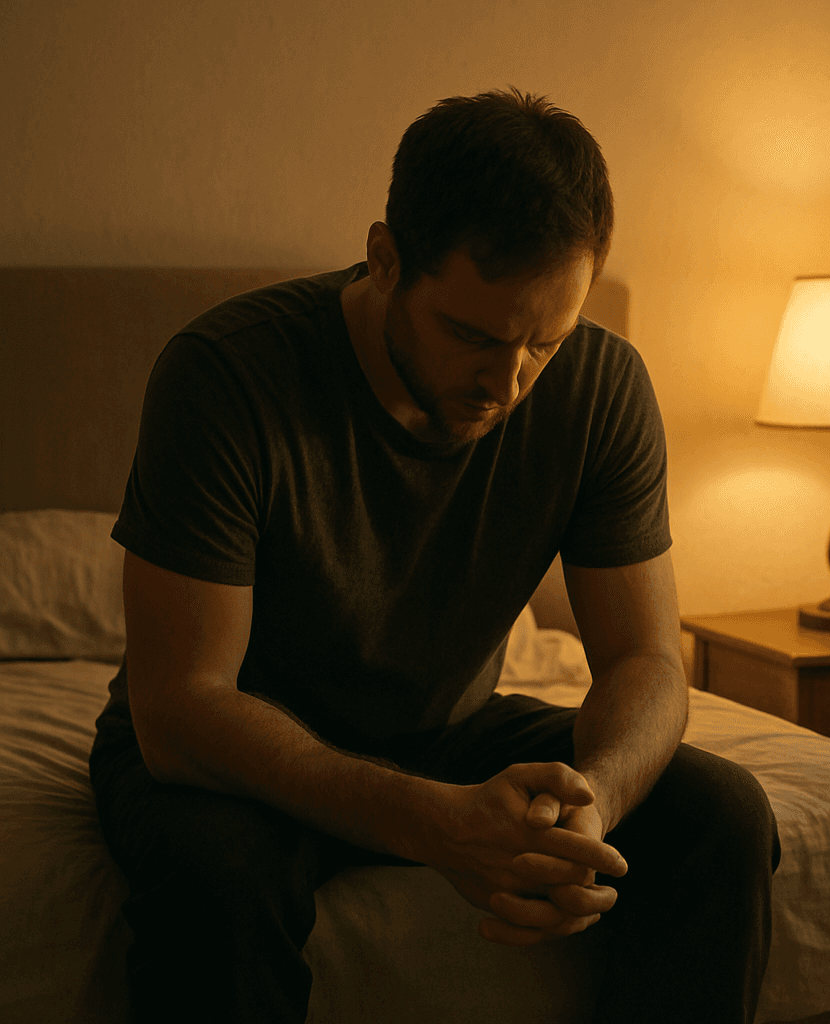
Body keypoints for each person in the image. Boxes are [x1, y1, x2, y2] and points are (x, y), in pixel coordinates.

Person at [89, 87, 781, 1023]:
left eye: (545, 342)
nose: (508, 384)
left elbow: (648, 660)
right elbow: (181, 709)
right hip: (235, 746)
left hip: (445, 730)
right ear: (385, 259)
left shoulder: (601, 386)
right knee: (222, 883)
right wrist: (433, 824)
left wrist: (594, 806)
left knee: (722, 819)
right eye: (473, 336)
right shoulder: (227, 375)